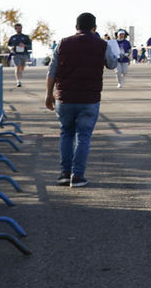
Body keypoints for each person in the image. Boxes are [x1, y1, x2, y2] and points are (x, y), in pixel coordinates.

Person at [44, 12, 116, 187]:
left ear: (76, 27)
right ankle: (77, 176)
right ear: (94, 28)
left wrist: (48, 94)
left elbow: (52, 71)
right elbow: (112, 64)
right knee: (84, 136)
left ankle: (64, 173)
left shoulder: (62, 43)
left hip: (65, 98)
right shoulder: (102, 45)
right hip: (89, 98)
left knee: (66, 133)